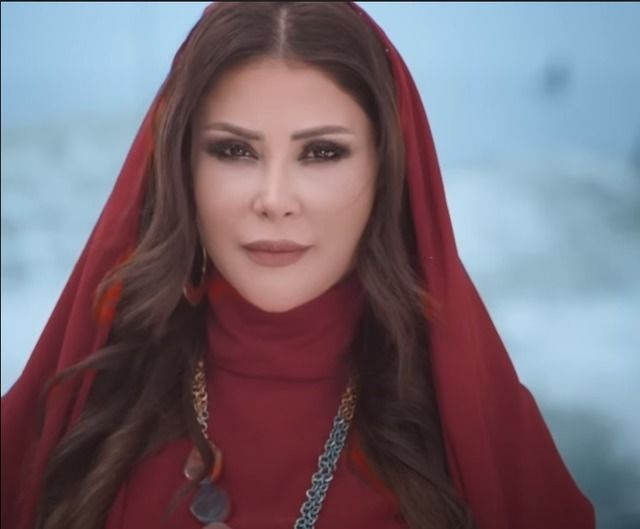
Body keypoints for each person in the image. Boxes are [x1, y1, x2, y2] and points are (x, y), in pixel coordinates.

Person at [1, 2, 595, 529]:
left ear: (387, 173)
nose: (275, 199)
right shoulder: (86, 404)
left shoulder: (468, 421)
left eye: (322, 152)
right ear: (182, 170)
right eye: (234, 150)